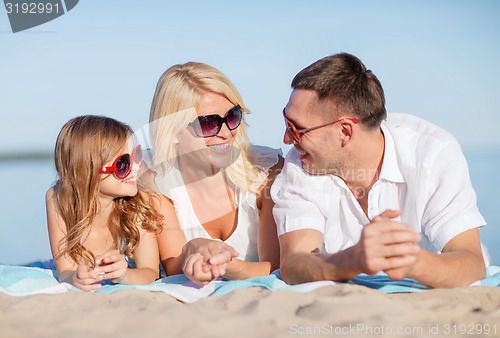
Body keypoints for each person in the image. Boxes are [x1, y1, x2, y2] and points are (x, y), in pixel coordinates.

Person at [272, 53, 487, 288]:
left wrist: (411, 261)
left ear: (345, 131)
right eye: (286, 121)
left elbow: (472, 263)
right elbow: (293, 264)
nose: (286, 139)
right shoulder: (301, 163)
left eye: (295, 129)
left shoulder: (432, 154)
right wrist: (353, 260)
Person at [144, 62, 282, 284]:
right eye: (208, 123)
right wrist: (193, 248)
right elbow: (175, 270)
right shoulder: (158, 184)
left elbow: (278, 267)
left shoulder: (266, 172)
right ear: (172, 131)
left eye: (232, 116)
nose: (226, 133)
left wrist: (230, 267)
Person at [46, 115, 163, 292]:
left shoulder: (137, 204)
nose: (136, 168)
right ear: (87, 171)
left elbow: (151, 272)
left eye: (136, 156)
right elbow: (65, 271)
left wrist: (124, 275)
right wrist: (76, 278)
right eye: (123, 163)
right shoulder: (59, 199)